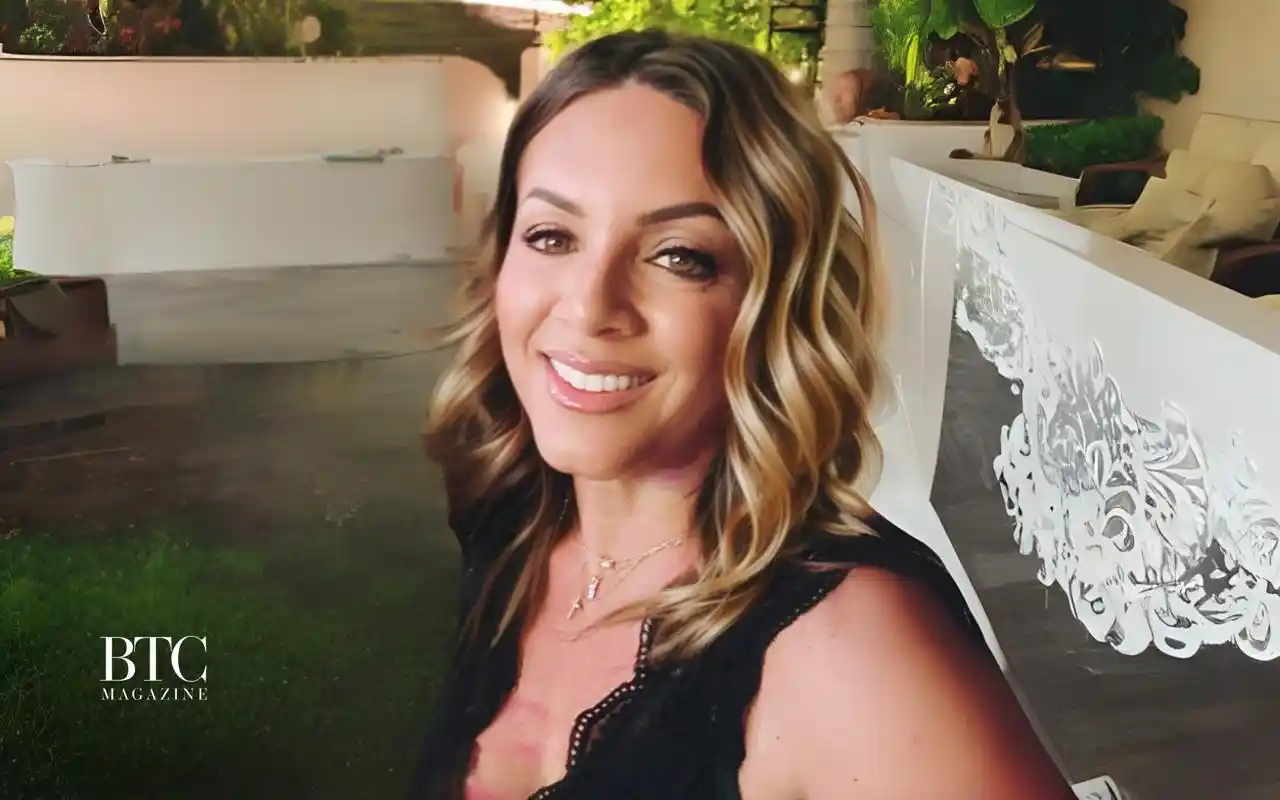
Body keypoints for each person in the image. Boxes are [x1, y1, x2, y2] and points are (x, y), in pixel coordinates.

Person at [411, 30, 1075, 800]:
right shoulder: (514, 517)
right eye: (551, 236)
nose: (590, 307)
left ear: (778, 302)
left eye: (679, 256)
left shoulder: (850, 648)